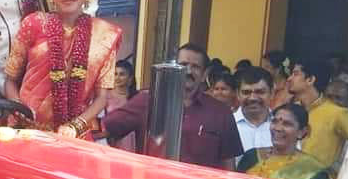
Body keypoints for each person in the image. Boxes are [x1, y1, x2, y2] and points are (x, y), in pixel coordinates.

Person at [2, 0, 121, 139]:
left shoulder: (106, 35)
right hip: (28, 133)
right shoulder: (33, 24)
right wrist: (19, 109)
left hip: (75, 137)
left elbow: (102, 98)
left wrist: (75, 127)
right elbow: (10, 81)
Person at [103, 43, 243, 169]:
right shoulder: (148, 100)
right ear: (172, 68)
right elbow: (104, 128)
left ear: (204, 74)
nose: (188, 71)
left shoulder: (220, 113)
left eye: (195, 67)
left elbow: (228, 167)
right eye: (183, 65)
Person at [286, 57, 348, 173]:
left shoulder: (337, 113)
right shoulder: (291, 110)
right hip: (287, 176)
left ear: (310, 80)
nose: (289, 79)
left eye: (295, 74)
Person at [237, 103, 330, 179]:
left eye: (287, 124)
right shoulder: (252, 157)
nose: (277, 128)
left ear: (301, 132)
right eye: (274, 122)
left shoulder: (312, 170)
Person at [233, 67, 273, 158]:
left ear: (272, 93)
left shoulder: (283, 127)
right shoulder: (227, 125)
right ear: (237, 94)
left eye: (260, 92)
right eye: (246, 92)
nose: (253, 98)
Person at [103, 59, 138, 151]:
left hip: (132, 143)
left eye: (122, 74)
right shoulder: (104, 97)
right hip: (110, 144)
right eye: (115, 74)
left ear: (130, 78)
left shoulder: (135, 97)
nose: (117, 77)